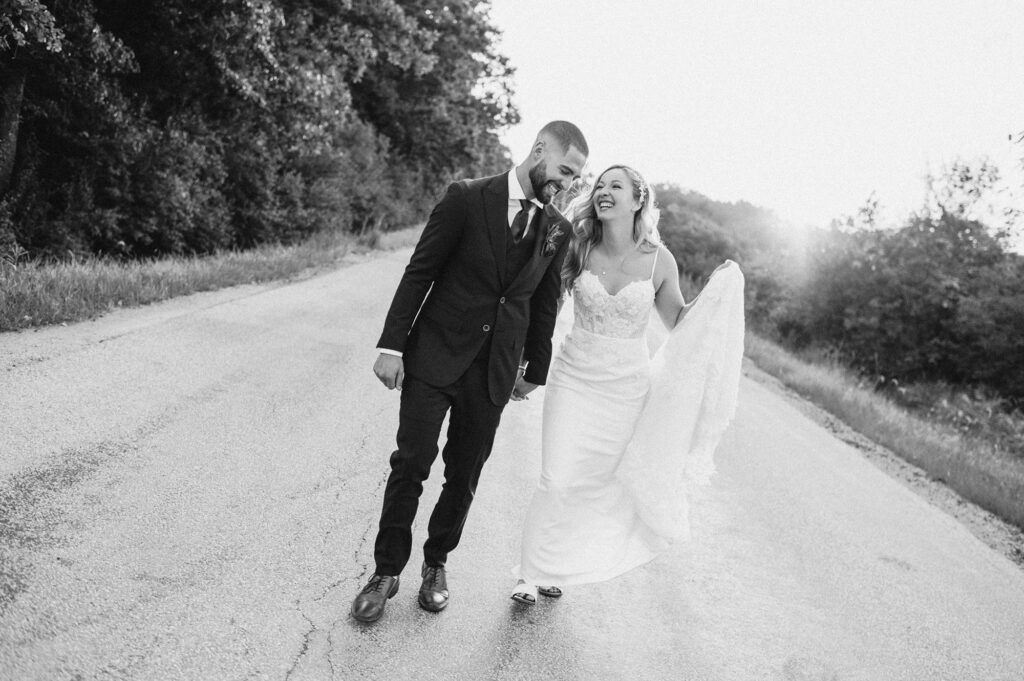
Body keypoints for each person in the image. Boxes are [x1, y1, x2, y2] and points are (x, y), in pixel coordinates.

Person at [350, 121, 590, 623]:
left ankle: (435, 565)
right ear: (538, 149)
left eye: (574, 178)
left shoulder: (558, 229)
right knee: (411, 464)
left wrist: (534, 369)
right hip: (435, 355)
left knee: (464, 475)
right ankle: (385, 571)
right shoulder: (465, 197)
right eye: (565, 171)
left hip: (495, 372)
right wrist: (392, 345)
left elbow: (544, 308)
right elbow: (421, 271)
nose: (567, 184)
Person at [510, 165, 745, 604]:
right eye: (599, 185)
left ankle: (555, 565)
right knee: (556, 478)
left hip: (625, 389)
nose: (602, 191)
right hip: (574, 377)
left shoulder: (660, 260)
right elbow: (542, 305)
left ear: (639, 200)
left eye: (614, 186)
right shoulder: (578, 247)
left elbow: (677, 319)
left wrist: (716, 291)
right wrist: (523, 362)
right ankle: (528, 572)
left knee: (591, 482)